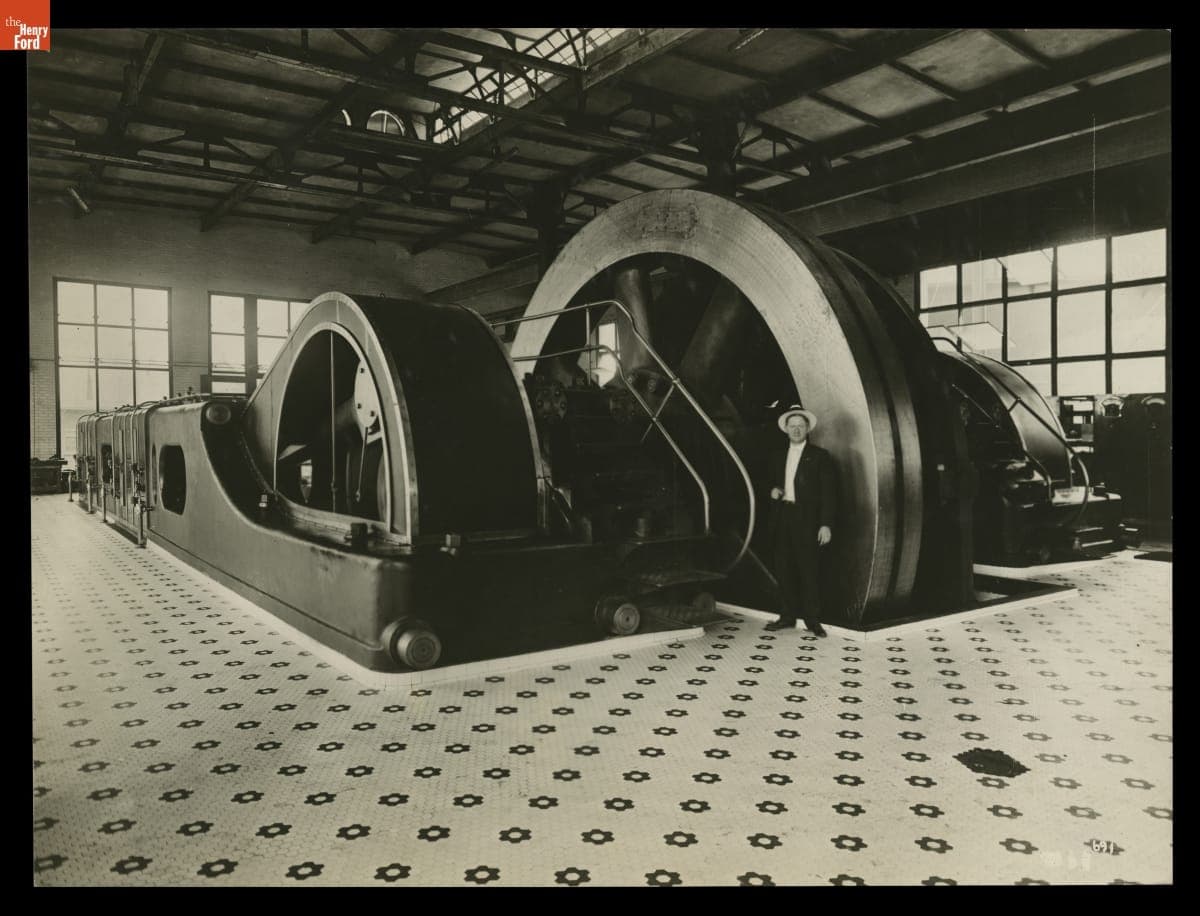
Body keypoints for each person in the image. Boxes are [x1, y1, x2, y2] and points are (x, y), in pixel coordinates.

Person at [764, 404, 837, 636]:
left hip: (808, 520)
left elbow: (829, 493)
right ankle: (787, 616)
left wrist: (826, 524)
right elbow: (771, 484)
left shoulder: (820, 456)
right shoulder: (776, 456)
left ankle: (812, 620)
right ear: (786, 429)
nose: (796, 430)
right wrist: (773, 491)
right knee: (783, 568)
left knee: (808, 569)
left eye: (800, 426)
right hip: (783, 516)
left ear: (807, 429)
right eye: (792, 426)